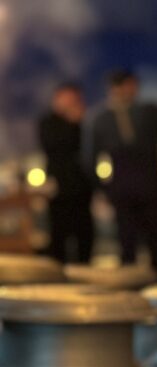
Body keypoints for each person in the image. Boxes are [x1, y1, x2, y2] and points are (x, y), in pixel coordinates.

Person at [86, 64, 157, 276]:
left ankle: (154, 286)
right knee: (130, 243)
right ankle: (134, 289)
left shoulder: (146, 112)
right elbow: (89, 159)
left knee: (153, 242)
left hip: (145, 186)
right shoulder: (102, 119)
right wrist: (105, 189)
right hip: (129, 188)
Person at [39, 83, 94, 263]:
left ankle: (84, 271)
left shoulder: (85, 123)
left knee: (85, 233)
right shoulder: (48, 122)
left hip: (82, 187)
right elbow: (54, 146)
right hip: (59, 189)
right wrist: (72, 122)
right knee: (59, 234)